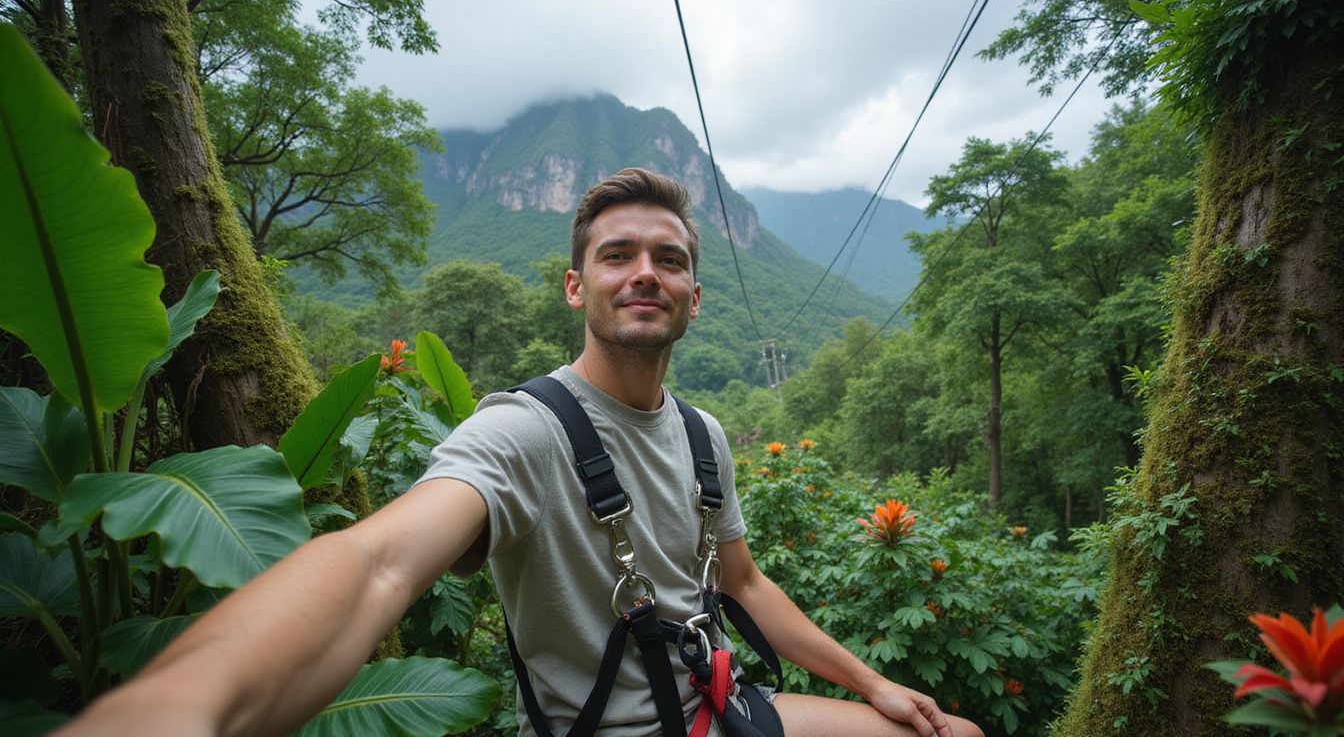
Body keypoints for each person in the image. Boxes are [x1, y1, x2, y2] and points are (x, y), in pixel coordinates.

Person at [58, 168, 983, 737]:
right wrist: (182, 705)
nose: (646, 272)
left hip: (721, 706)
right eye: (618, 256)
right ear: (577, 286)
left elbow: (740, 585)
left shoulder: (703, 435)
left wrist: (874, 682)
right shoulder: (524, 430)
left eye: (668, 258)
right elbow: (379, 563)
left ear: (695, 297)